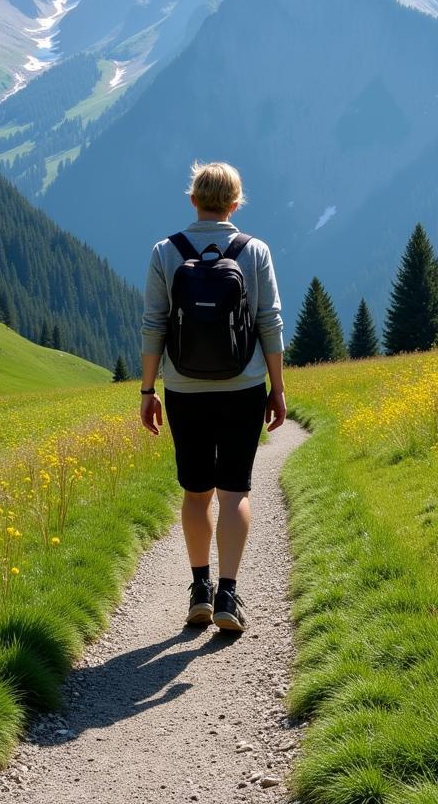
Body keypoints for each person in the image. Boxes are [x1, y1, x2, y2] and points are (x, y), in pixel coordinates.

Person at [140, 161, 286, 633]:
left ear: (193, 200)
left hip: (183, 389)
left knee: (195, 492)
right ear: (236, 203)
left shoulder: (166, 251)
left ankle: (198, 588)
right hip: (243, 389)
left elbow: (154, 326)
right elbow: (270, 323)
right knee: (234, 492)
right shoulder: (255, 251)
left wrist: (148, 390)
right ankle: (227, 595)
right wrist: (277, 389)